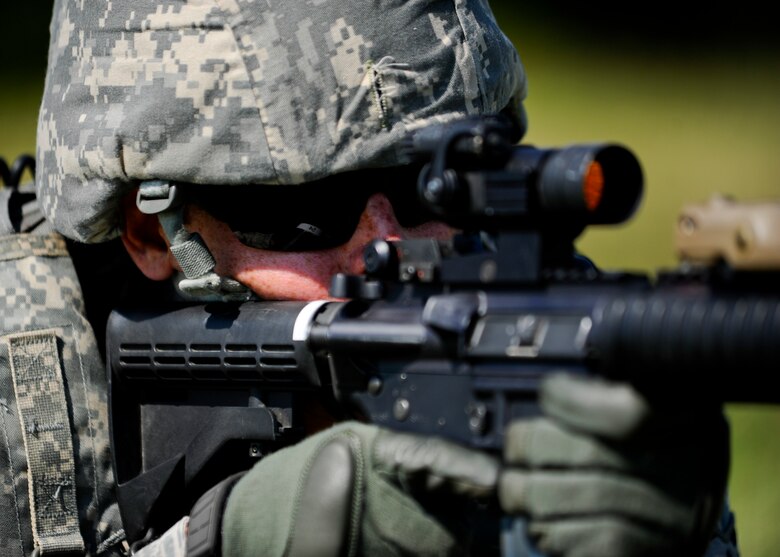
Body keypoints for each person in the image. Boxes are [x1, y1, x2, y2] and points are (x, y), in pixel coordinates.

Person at [0, 0, 736, 556]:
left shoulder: (562, 343)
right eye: (304, 210)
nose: (384, 246)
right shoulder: (22, 359)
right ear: (148, 229)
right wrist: (241, 532)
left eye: (428, 186)